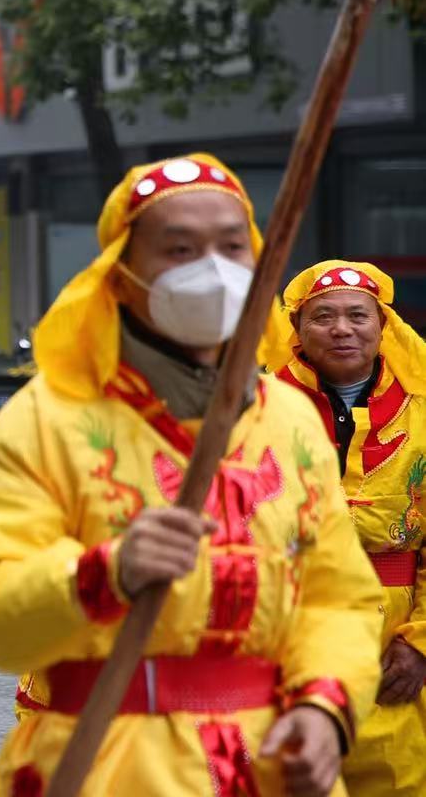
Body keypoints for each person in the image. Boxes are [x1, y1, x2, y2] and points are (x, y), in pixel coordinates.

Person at [0, 154, 382, 797]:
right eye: (179, 248)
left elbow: (338, 596)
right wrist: (103, 572)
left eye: (232, 246)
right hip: (108, 763)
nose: (214, 270)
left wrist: (322, 707)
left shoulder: (288, 417)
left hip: (272, 762)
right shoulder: (47, 419)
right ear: (120, 275)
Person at [260, 259, 426, 795]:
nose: (342, 329)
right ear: (297, 329)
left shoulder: (421, 410)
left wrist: (421, 642)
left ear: (383, 327)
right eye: (322, 315)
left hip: (391, 636)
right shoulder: (254, 409)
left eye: (359, 315)